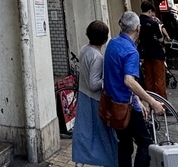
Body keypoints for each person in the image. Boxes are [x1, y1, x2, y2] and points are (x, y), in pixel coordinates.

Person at [104, 11, 166, 167]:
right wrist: (152, 102)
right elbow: (128, 80)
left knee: (125, 144)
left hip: (112, 103)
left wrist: (138, 98)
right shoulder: (131, 51)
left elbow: (118, 76)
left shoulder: (113, 43)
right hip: (126, 106)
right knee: (146, 143)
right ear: (138, 28)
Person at [71, 20, 118, 167]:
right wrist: (108, 81)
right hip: (95, 100)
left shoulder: (84, 49)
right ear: (104, 39)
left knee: (84, 132)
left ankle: (81, 160)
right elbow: (93, 84)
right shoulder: (98, 57)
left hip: (83, 96)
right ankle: (106, 161)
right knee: (103, 135)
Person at [139, 1, 169, 97]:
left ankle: (150, 99)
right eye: (152, 13)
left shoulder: (137, 22)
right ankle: (162, 102)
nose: (153, 15)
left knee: (149, 78)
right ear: (149, 11)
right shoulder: (153, 23)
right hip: (156, 53)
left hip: (144, 53)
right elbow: (160, 39)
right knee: (160, 79)